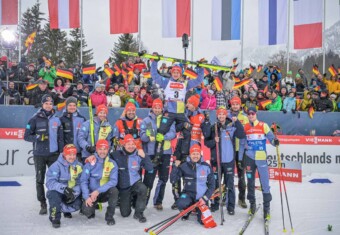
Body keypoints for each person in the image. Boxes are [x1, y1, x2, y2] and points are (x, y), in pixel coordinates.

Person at [150, 56, 204, 154]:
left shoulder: (185, 83)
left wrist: (200, 68)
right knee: (161, 131)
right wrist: (154, 63)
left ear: (180, 73)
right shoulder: (166, 82)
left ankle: (184, 154)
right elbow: (154, 75)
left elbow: (199, 80)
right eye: (174, 72)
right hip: (169, 113)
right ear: (171, 73)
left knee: (188, 129)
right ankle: (157, 154)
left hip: (180, 113)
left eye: (177, 73)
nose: (175, 74)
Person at [24, 94, 63, 215]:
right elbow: (26, 136)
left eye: (50, 103)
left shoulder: (57, 118)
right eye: (46, 103)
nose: (48, 105)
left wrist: (61, 152)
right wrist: (38, 137)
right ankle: (43, 203)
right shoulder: (34, 118)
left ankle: (54, 201)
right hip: (39, 154)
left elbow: (60, 138)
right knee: (40, 180)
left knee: (55, 179)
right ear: (42, 104)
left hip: (54, 154)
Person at [202, 106, 246, 215]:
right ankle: (215, 204)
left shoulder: (231, 126)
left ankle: (230, 206)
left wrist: (238, 122)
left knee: (229, 184)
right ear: (217, 115)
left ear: (226, 115)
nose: (221, 116)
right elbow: (207, 142)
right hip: (216, 161)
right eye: (219, 114)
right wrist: (214, 141)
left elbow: (241, 135)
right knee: (216, 184)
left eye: (223, 114)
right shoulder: (214, 127)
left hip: (229, 160)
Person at [243, 107, 279, 220]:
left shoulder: (263, 125)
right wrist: (240, 159)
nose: (250, 115)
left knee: (264, 181)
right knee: (250, 181)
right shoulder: (246, 127)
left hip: (261, 157)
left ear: (256, 114)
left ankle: (266, 208)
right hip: (249, 158)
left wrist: (275, 142)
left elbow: (271, 139)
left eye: (252, 113)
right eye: (249, 114)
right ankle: (252, 205)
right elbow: (243, 142)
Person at [140, 99, 176, 210]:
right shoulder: (146, 120)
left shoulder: (167, 119)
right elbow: (142, 136)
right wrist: (146, 136)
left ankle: (158, 201)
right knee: (148, 179)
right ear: (152, 108)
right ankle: (143, 202)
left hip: (165, 152)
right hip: (151, 153)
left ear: (162, 108)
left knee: (163, 179)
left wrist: (164, 137)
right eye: (155, 107)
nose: (157, 110)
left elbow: (173, 133)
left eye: (159, 108)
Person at [110, 134, 153, 223]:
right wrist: (92, 156)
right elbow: (103, 156)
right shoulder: (116, 155)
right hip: (123, 186)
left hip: (135, 183)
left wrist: (144, 156)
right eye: (128, 144)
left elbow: (150, 168)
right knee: (125, 214)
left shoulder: (138, 154)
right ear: (124, 145)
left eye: (132, 144)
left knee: (143, 188)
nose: (131, 146)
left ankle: (139, 213)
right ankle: (129, 201)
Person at [170, 144, 215, 225]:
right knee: (180, 203)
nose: (195, 156)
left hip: (201, 197)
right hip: (188, 194)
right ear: (190, 155)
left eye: (197, 154)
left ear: (200, 155)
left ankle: (197, 209)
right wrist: (175, 167)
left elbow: (212, 185)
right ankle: (187, 211)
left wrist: (205, 197)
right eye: (193, 154)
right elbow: (173, 180)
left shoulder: (206, 166)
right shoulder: (184, 166)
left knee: (202, 222)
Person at [80, 139, 119, 225]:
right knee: (87, 212)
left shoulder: (112, 163)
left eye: (104, 149)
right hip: (91, 194)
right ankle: (92, 207)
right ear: (96, 150)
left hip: (104, 192)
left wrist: (98, 191)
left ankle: (109, 216)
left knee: (114, 191)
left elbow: (113, 181)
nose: (102, 151)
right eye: (100, 149)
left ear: (108, 149)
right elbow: (83, 181)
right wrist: (87, 197)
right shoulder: (90, 163)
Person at [46, 144, 83, 228]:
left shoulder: (79, 166)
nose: (72, 157)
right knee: (53, 194)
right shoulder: (56, 166)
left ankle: (65, 209)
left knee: (80, 203)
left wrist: (74, 192)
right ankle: (55, 217)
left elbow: (81, 182)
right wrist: (64, 189)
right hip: (59, 192)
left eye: (74, 154)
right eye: (69, 154)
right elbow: (50, 182)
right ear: (64, 155)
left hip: (72, 193)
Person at [228, 96, 249, 208]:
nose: (235, 106)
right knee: (228, 175)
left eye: (237, 104)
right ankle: (227, 198)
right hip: (229, 150)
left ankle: (242, 199)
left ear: (240, 105)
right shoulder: (227, 116)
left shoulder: (244, 117)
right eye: (233, 104)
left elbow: (246, 133)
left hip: (241, 150)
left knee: (241, 175)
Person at [59, 97, 86, 162]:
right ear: (66, 106)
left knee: (78, 170)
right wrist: (61, 151)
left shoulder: (82, 119)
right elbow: (60, 137)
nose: (72, 107)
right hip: (67, 152)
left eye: (74, 105)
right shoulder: (61, 119)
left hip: (78, 152)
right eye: (70, 105)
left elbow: (85, 135)